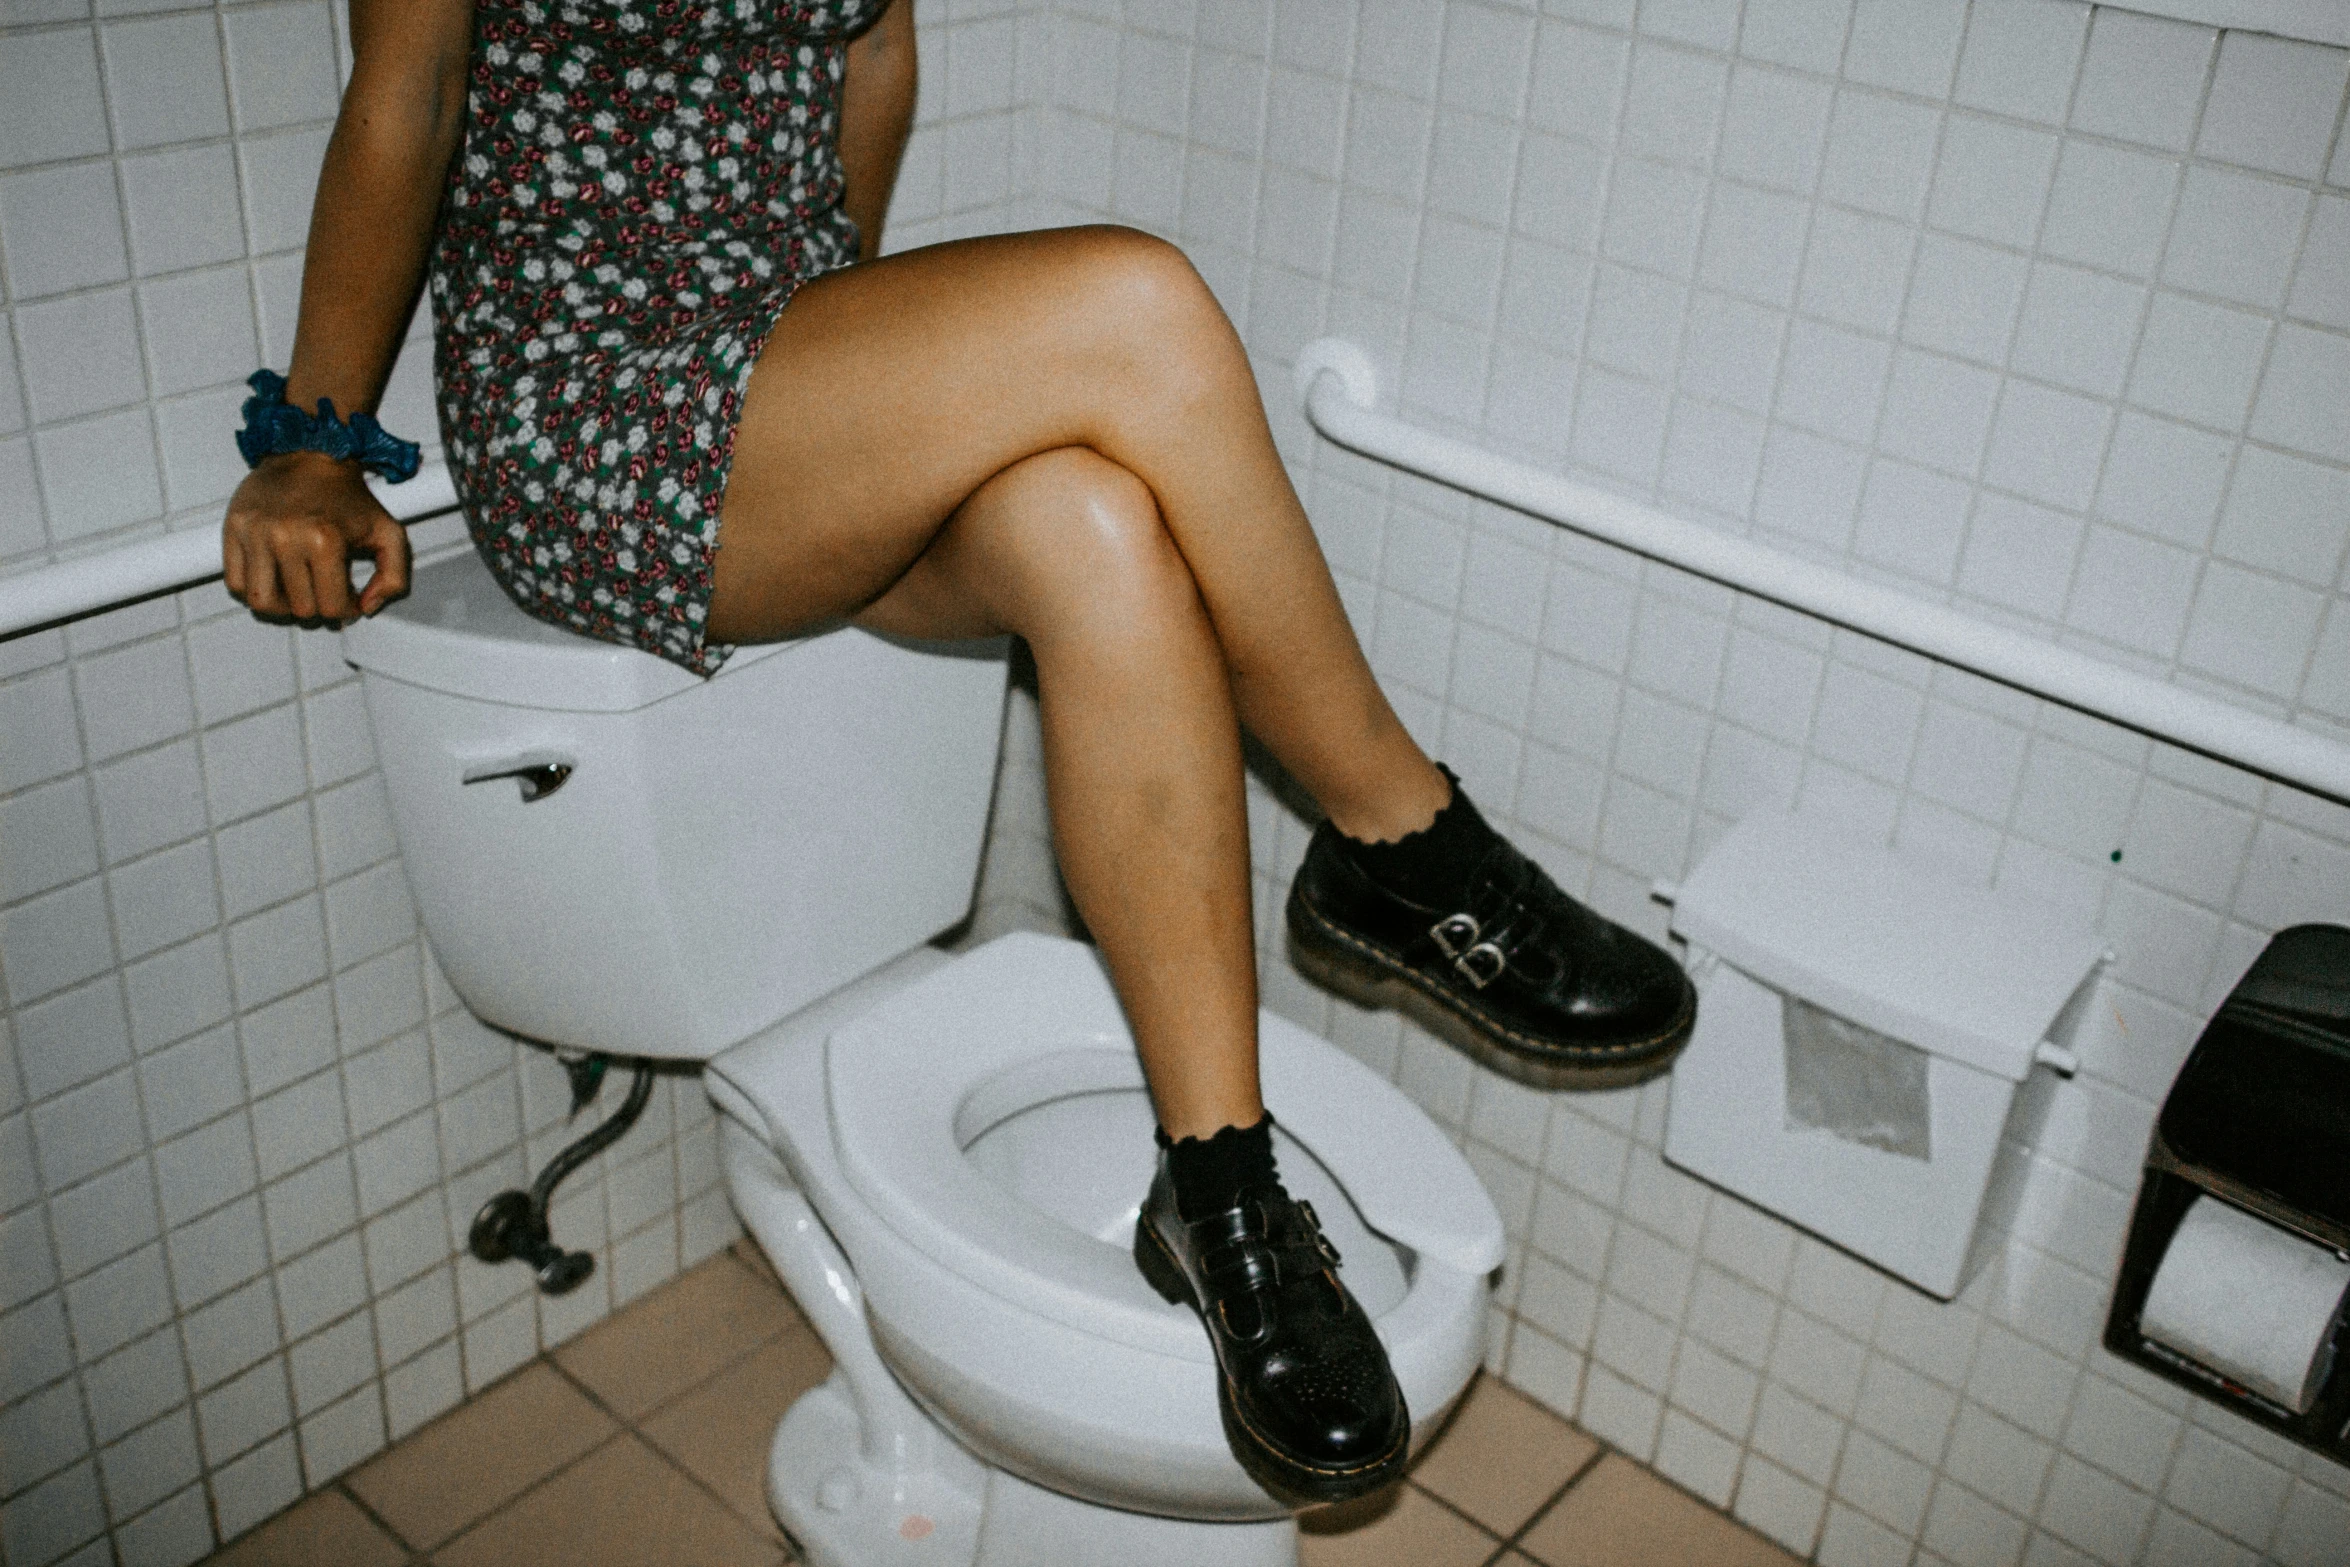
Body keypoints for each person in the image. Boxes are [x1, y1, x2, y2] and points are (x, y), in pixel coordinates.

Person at [219, 0, 1694, 1506]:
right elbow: (410, 86)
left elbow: (874, 53)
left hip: (775, 341)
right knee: (1138, 299)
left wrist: (852, 377)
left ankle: (1220, 1193)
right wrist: (318, 444)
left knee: (1097, 531)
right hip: (593, 391)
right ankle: (1400, 840)